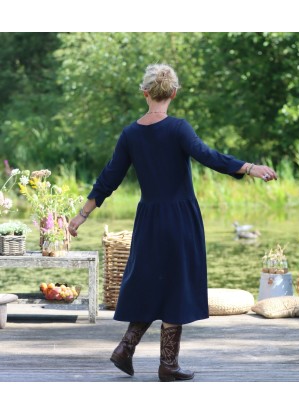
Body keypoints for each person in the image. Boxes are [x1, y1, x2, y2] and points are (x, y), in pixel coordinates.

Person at [68, 63, 277, 382]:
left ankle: (127, 348)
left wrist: (82, 215)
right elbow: (209, 156)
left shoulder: (130, 134)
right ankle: (166, 364)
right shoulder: (179, 128)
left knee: (153, 282)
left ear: (145, 92)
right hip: (180, 219)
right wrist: (249, 167)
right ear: (174, 93)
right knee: (175, 285)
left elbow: (109, 177)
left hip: (149, 220)